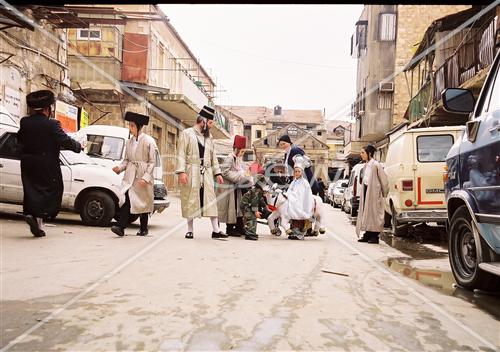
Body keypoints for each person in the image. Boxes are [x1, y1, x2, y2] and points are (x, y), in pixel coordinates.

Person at [17, 90, 83, 237]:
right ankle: (38, 216)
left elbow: (19, 140)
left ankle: (32, 216)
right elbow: (64, 140)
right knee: (51, 190)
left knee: (31, 190)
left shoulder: (25, 122)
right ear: (48, 109)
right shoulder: (52, 124)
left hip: (28, 163)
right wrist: (78, 146)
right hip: (47, 164)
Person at [175, 105, 227, 239]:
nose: (211, 126)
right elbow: (180, 153)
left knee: (211, 200)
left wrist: (218, 173)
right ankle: (190, 229)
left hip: (207, 173)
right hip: (191, 171)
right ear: (203, 121)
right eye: (210, 123)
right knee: (191, 200)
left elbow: (213, 156)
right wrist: (181, 172)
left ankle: (216, 230)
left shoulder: (209, 138)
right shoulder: (187, 134)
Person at [111, 111, 156, 237]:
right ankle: (121, 227)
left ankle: (143, 228)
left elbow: (152, 162)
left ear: (139, 127)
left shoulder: (149, 141)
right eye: (129, 126)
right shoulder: (129, 142)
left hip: (142, 175)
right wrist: (120, 168)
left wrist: (146, 178)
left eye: (132, 126)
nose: (130, 128)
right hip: (130, 176)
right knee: (128, 200)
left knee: (143, 202)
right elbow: (127, 159)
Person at [217, 135, 253, 237]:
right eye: (241, 152)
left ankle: (239, 227)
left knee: (238, 207)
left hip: (236, 186)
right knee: (231, 208)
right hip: (229, 186)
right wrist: (239, 176)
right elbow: (224, 172)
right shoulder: (230, 158)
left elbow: (239, 169)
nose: (242, 154)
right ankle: (230, 229)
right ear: (236, 149)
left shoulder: (237, 158)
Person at [356, 144, 389, 244]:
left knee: (374, 213)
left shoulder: (376, 165)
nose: (361, 154)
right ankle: (367, 233)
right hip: (367, 190)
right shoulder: (366, 165)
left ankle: (375, 236)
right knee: (367, 212)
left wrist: (383, 193)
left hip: (374, 192)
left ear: (369, 153)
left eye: (363, 152)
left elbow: (384, 180)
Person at [279, 155, 314, 240]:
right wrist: (286, 194)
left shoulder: (304, 182)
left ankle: (299, 234)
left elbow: (300, 195)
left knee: (298, 215)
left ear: (301, 172)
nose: (297, 173)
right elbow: (290, 191)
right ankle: (293, 232)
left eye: (298, 171)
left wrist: (290, 195)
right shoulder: (294, 182)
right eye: (295, 171)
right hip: (293, 201)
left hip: (300, 203)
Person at [240, 174, 269, 241]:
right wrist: (256, 211)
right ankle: (249, 233)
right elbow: (254, 202)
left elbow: (261, 199)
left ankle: (251, 232)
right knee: (251, 217)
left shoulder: (259, 190)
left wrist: (265, 206)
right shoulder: (257, 191)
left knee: (252, 217)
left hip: (249, 204)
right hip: (246, 205)